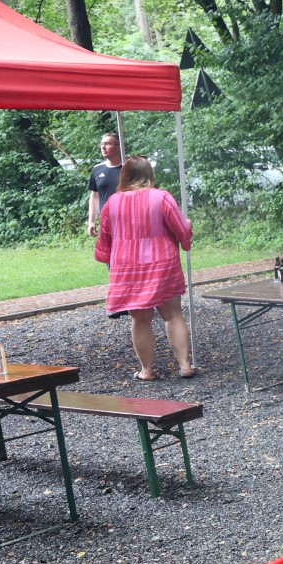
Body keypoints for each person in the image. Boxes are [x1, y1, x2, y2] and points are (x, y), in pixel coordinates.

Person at [94, 155, 196, 381]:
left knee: (140, 320)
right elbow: (181, 230)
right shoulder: (162, 197)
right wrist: (187, 227)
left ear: (124, 175)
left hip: (127, 268)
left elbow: (105, 238)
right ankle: (185, 365)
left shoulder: (112, 202)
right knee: (173, 315)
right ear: (149, 174)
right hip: (162, 263)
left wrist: (105, 255)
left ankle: (147, 370)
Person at [86, 132, 124, 238]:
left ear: (119, 146)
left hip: (128, 220)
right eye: (101, 144)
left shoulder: (129, 167)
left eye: (107, 144)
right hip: (107, 222)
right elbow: (94, 197)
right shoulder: (97, 169)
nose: (103, 147)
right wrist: (91, 221)